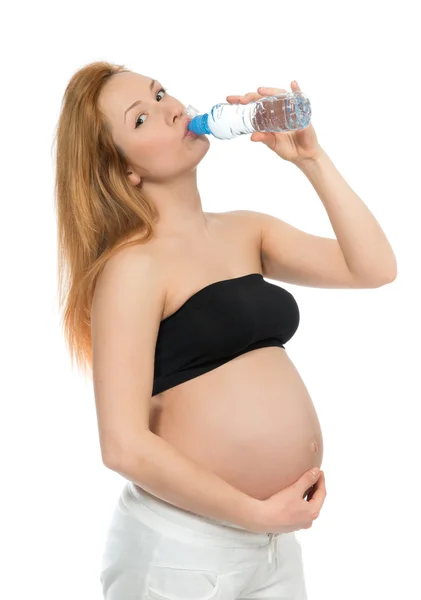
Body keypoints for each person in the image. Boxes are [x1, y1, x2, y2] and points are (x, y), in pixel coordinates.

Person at [53, 61, 396, 599]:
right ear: (124, 173)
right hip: (182, 553)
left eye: (161, 92)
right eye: (141, 119)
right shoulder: (132, 269)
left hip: (271, 545)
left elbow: (374, 268)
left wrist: (312, 159)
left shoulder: (246, 230)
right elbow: (122, 445)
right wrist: (253, 512)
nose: (170, 109)